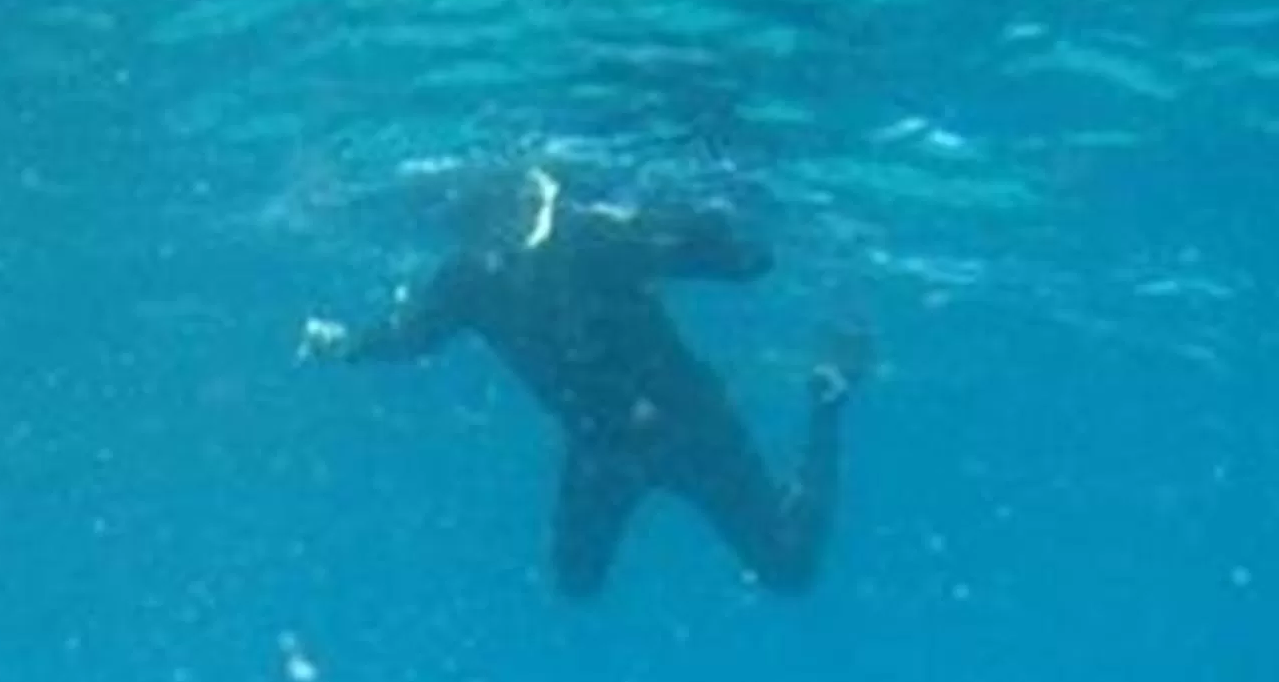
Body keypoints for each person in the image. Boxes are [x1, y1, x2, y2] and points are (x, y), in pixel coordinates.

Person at [300, 165, 867, 601]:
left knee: (788, 570)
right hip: (604, 444)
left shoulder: (596, 237)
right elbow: (412, 335)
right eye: (471, 223)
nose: (490, 234)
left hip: (690, 428)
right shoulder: (469, 279)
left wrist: (700, 216)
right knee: (577, 581)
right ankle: (827, 399)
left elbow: (746, 261)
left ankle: (829, 398)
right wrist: (348, 345)